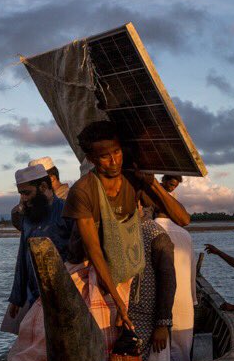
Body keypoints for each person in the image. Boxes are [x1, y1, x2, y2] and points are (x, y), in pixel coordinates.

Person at [64, 120, 190, 331]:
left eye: (117, 152)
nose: (114, 162)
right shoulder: (83, 191)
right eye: (105, 156)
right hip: (87, 271)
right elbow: (94, 251)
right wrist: (117, 301)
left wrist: (152, 183)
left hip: (123, 270)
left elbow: (183, 219)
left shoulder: (132, 180)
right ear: (91, 159)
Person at [2, 164, 72, 334]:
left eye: (27, 193)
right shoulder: (28, 217)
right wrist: (17, 299)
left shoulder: (66, 211)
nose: (23, 199)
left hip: (63, 296)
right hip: (34, 296)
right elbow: (23, 257)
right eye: (21, 194)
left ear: (43, 187)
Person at [128, 219, 176, 361]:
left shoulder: (156, 234)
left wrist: (162, 324)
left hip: (148, 321)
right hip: (127, 317)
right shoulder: (122, 229)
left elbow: (168, 281)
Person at [10, 156, 70, 230]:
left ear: (51, 179)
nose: (24, 198)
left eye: (27, 193)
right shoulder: (34, 204)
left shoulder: (70, 201)